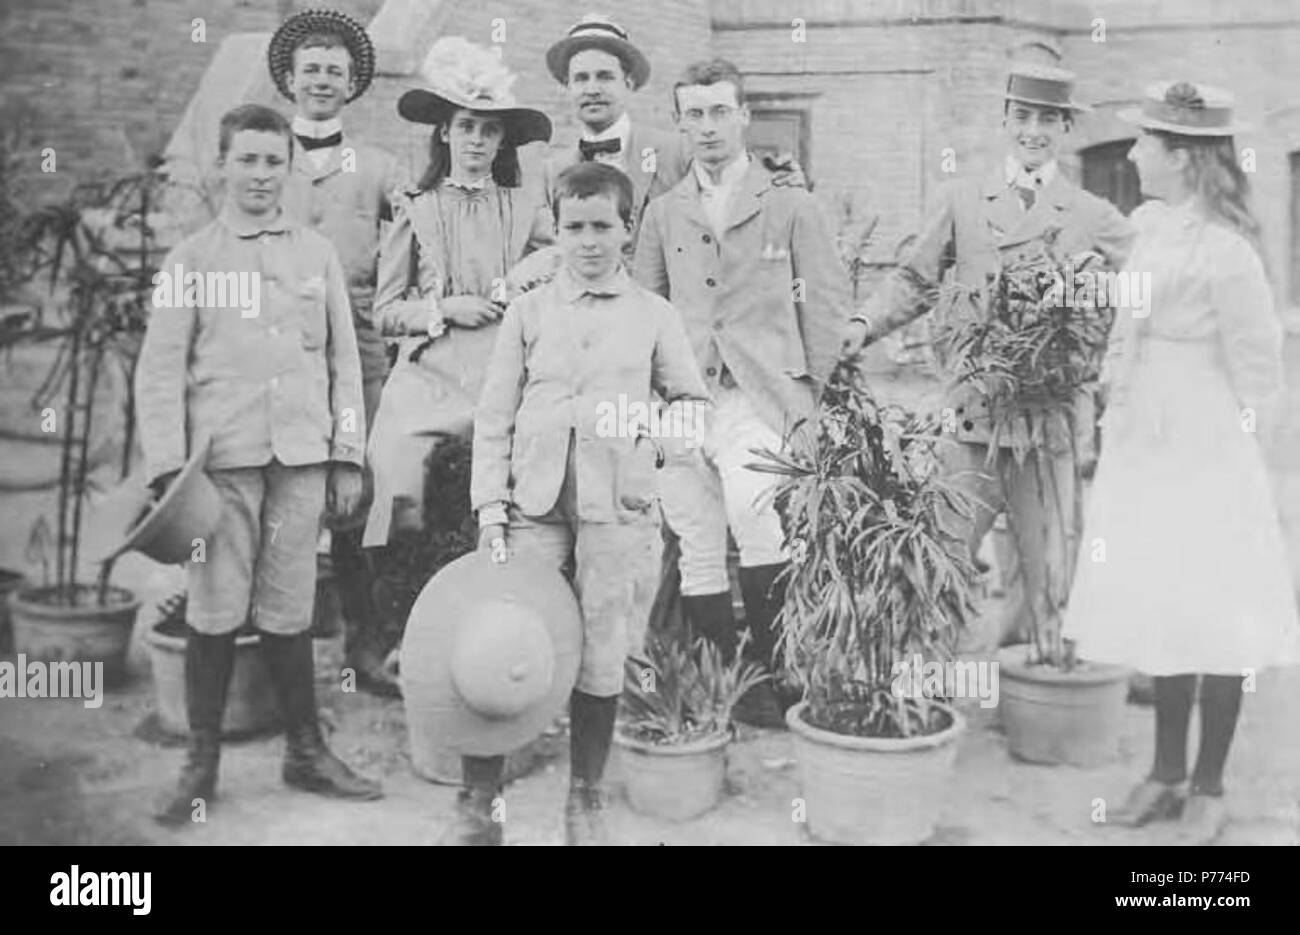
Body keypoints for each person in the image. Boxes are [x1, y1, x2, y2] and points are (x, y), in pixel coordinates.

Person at [1063, 81, 1300, 841]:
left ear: (1185, 158)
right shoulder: (1148, 228)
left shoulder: (1229, 253)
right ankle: (1165, 773)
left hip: (1208, 443)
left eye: (1146, 143)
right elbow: (1124, 329)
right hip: (1145, 436)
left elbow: (1261, 370)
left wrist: (1238, 466)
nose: (1133, 153)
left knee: (1215, 610)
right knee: (1164, 601)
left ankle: (1209, 784)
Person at [138, 103, 383, 827]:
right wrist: (166, 469)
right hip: (222, 468)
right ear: (222, 164)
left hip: (301, 460)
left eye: (273, 160)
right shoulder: (192, 260)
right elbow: (158, 373)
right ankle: (201, 761)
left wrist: (346, 456)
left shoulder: (316, 255)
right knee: (213, 613)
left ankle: (305, 751)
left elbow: (345, 362)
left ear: (289, 168)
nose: (259, 174)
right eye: (246, 159)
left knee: (290, 609)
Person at [455, 161, 710, 845]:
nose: (589, 241)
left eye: (603, 226)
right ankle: (478, 800)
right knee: (503, 635)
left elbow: (692, 410)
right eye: (575, 227)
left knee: (602, 647)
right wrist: (491, 509)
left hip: (616, 510)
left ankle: (586, 796)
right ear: (557, 231)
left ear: (627, 230)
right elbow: (494, 414)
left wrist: (644, 432)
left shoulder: (654, 315)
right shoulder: (530, 312)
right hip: (532, 508)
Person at [848, 63, 1135, 651]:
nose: (1034, 131)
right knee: (943, 557)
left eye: (1048, 120)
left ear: (1065, 128)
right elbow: (914, 280)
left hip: (1048, 419)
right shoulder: (963, 200)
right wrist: (861, 323)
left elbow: (1144, 288)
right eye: (1023, 117)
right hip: (973, 415)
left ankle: (1042, 689)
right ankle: (925, 691)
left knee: (1050, 567)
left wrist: (1104, 340)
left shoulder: (1090, 214)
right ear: (1005, 120)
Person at [634, 58, 854, 727]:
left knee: (758, 525)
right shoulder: (665, 210)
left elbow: (825, 307)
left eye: (719, 111)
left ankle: (778, 674)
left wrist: (806, 399)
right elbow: (645, 308)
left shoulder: (788, 203)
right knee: (697, 537)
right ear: (679, 122)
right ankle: (718, 684)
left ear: (744, 116)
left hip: (760, 398)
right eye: (693, 114)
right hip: (685, 399)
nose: (706, 127)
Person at [266, 8, 410, 694]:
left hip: (361, 356)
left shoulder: (379, 167)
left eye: (335, 71)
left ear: (352, 84)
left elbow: (419, 243)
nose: (322, 81)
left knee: (358, 497)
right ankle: (271, 644)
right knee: (275, 491)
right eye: (311, 70)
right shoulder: (266, 160)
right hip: (281, 355)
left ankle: (365, 644)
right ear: (290, 81)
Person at [362, 37, 554, 549]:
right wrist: (444, 308)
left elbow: (565, 259)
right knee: (395, 468)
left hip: (507, 368)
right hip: (430, 375)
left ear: (501, 143)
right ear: (445, 131)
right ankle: (401, 600)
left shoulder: (524, 206)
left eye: (489, 131)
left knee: (523, 477)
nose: (476, 140)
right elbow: (384, 312)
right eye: (466, 126)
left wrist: (522, 278)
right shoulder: (416, 206)